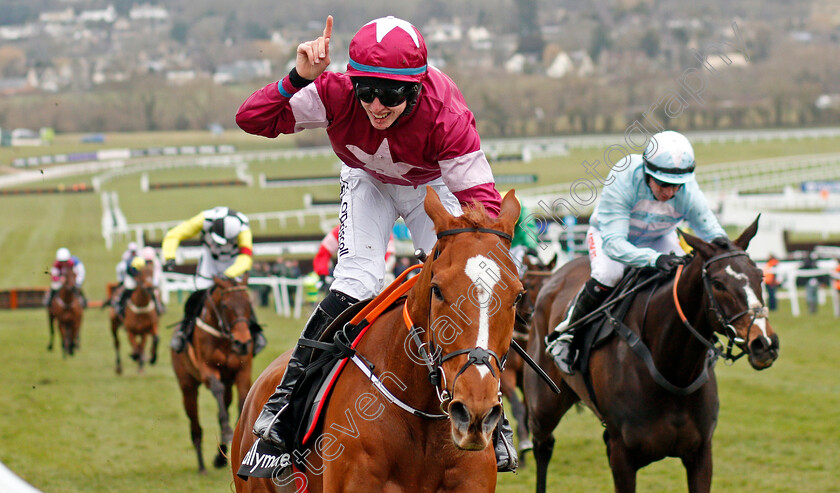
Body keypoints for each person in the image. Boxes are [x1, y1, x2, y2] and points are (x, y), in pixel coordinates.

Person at [235, 15, 517, 471]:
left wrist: (487, 263)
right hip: (367, 180)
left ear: (418, 88)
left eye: (391, 94)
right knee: (355, 282)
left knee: (476, 279)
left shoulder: (447, 115)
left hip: (432, 186)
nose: (376, 105)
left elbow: (483, 210)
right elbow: (251, 118)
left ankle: (495, 418)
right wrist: (298, 78)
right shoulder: (334, 92)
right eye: (366, 89)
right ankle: (281, 416)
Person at [547, 130, 729, 375]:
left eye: (677, 186)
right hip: (609, 237)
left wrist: (730, 254)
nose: (670, 193)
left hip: (658, 237)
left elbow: (713, 234)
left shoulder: (688, 190)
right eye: (663, 184)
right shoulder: (623, 178)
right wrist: (655, 259)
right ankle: (565, 335)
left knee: (685, 274)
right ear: (647, 173)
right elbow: (614, 244)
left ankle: (698, 340)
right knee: (609, 274)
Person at [162, 206, 266, 355]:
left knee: (240, 297)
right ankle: (184, 330)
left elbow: (246, 258)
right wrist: (169, 256)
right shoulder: (205, 219)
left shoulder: (243, 227)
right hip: (210, 260)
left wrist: (229, 273)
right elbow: (175, 233)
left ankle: (256, 333)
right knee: (198, 294)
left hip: (233, 262)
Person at [312, 224, 396, 291]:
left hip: (378, 279)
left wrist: (383, 272)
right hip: (348, 281)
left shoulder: (381, 230)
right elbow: (323, 253)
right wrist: (322, 276)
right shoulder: (341, 230)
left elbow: (390, 256)